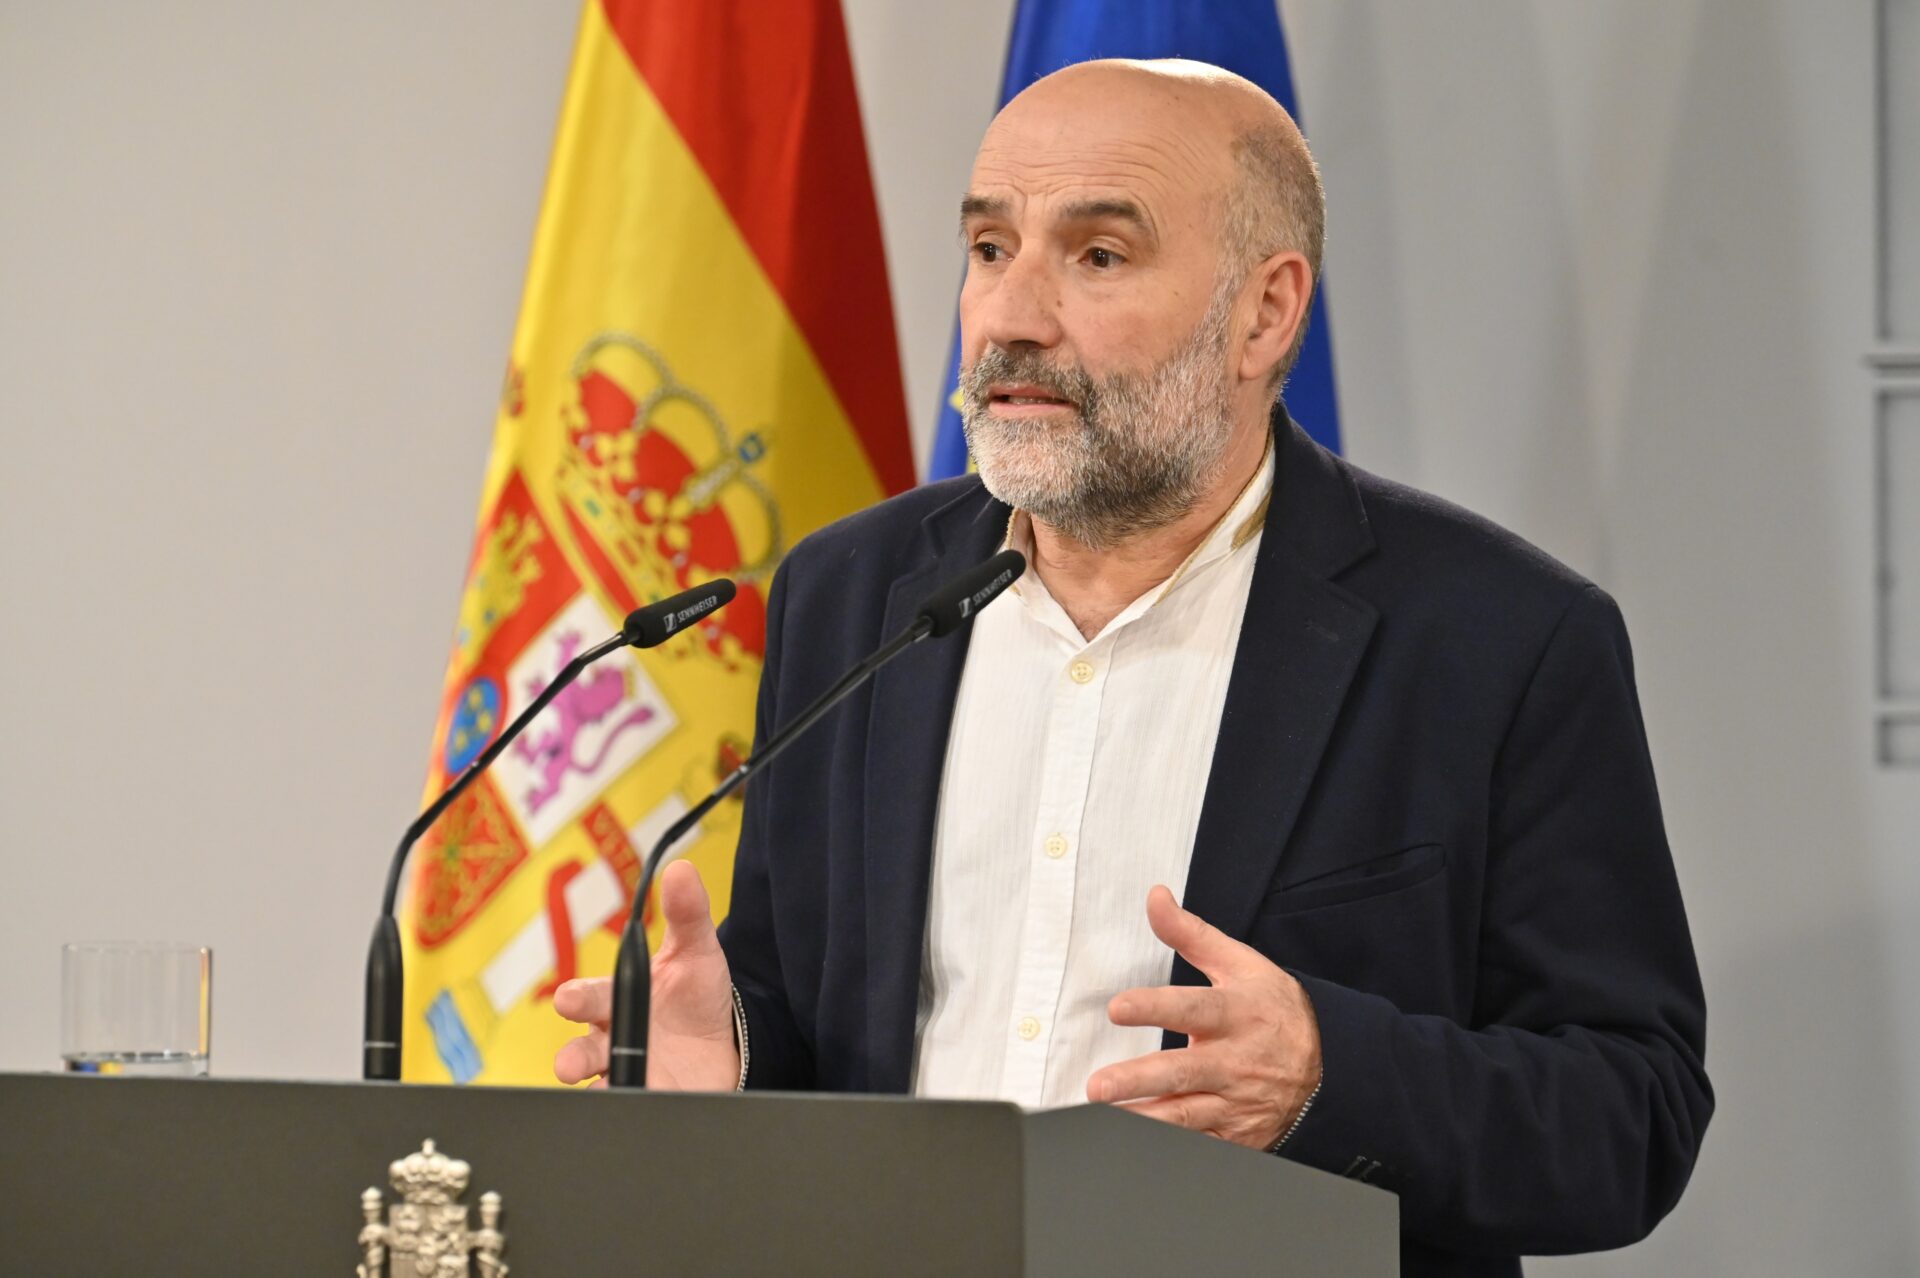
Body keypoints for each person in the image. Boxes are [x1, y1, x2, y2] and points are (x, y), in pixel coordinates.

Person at [553, 58, 1712, 1274]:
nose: (1011, 316)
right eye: (990, 248)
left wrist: (1329, 1077)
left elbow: (1631, 1115)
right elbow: (817, 1010)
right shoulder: (852, 595)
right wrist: (737, 1056)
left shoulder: (1494, 639)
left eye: (1098, 256)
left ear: (1265, 313)